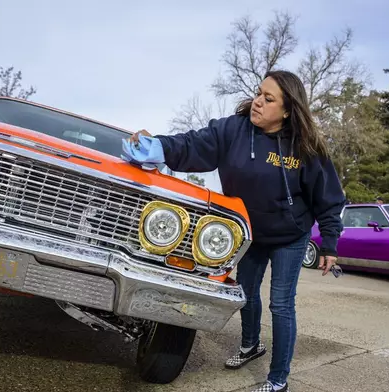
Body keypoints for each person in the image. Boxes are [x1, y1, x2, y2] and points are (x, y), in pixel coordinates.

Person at [122, 70, 345, 392]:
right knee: (246, 293)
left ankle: (278, 379)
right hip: (252, 233)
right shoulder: (233, 131)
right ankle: (251, 345)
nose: (257, 102)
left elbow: (328, 198)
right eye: (259, 93)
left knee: (281, 304)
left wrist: (330, 245)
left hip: (290, 236)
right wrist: (154, 145)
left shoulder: (306, 148)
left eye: (268, 99)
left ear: (287, 110)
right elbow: (191, 144)